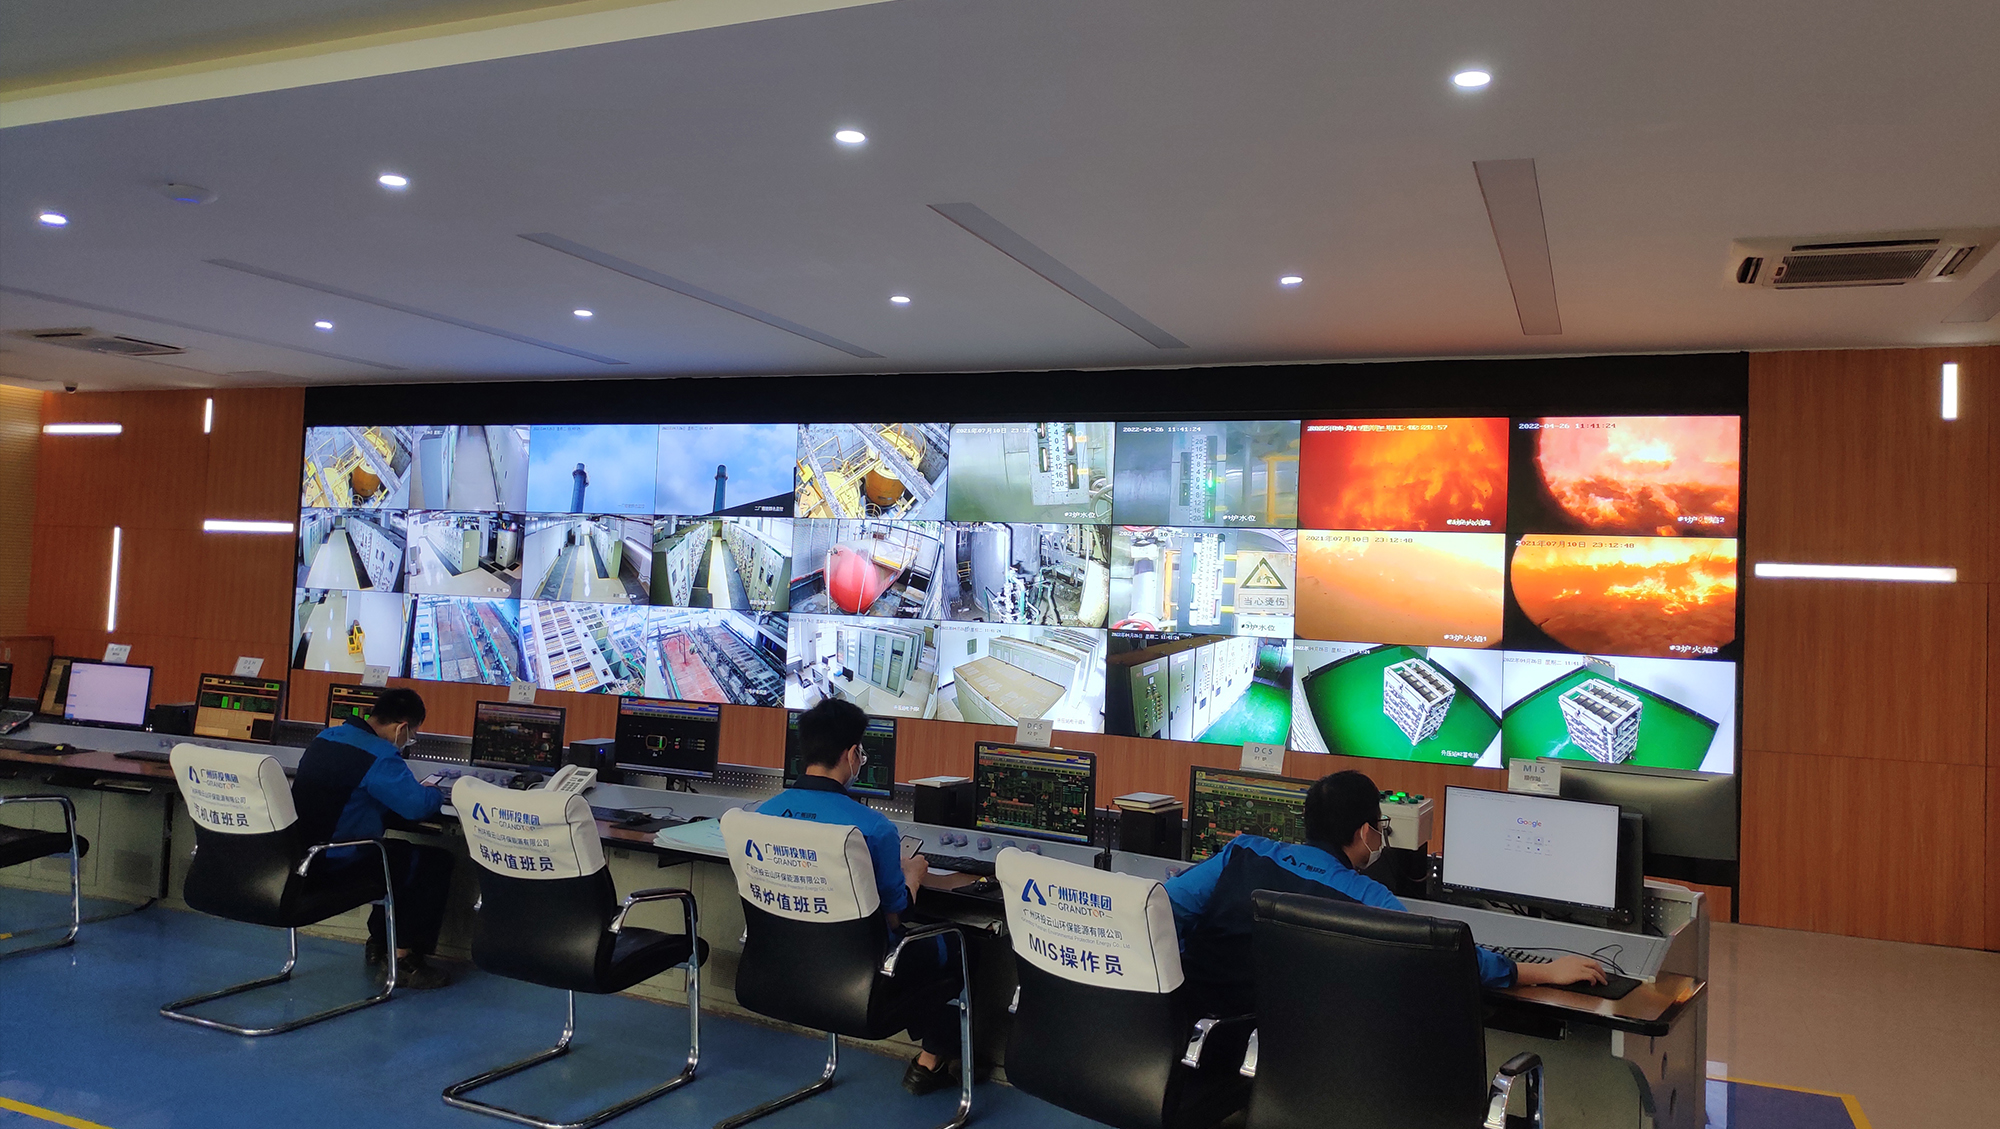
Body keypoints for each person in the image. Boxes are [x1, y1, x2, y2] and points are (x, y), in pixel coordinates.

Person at [1165, 770, 1606, 1017]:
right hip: (1296, 1060)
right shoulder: (1369, 900)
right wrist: (1544, 971)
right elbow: (1451, 956)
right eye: (1380, 826)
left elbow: (1161, 910)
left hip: (1202, 1037)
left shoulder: (1240, 853)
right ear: (1365, 832)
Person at [758, 698, 963, 1096]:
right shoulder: (873, 828)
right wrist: (913, 873)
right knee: (957, 945)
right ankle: (931, 1061)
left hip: (780, 966)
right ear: (853, 755)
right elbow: (894, 916)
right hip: (860, 974)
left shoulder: (763, 815)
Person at [290, 687, 455, 990]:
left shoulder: (327, 737)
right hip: (335, 862)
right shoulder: (379, 755)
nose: (408, 741)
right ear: (402, 728)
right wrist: (434, 791)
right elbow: (416, 807)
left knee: (396, 854)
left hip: (301, 857)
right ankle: (404, 960)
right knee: (433, 862)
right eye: (411, 735)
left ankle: (379, 944)